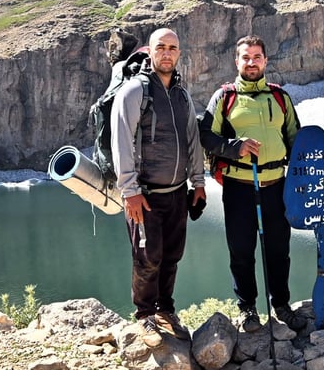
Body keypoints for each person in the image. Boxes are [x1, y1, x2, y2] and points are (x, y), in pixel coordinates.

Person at [111, 27, 207, 348]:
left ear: (179, 54)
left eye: (173, 48)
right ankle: (145, 317)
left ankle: (166, 310)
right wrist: (129, 191)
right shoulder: (135, 91)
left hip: (178, 193)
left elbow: (193, 140)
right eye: (161, 47)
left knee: (171, 255)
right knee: (147, 257)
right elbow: (121, 140)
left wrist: (198, 183)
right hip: (145, 195)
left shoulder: (182, 95)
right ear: (150, 52)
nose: (167, 53)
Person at [200, 35, 302, 332]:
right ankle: (247, 309)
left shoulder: (280, 96)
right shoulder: (224, 97)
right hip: (239, 187)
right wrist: (235, 147)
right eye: (246, 57)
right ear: (237, 61)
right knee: (241, 250)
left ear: (265, 60)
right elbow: (206, 136)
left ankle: (281, 304)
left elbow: (295, 138)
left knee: (278, 250)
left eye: (257, 56)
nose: (251, 62)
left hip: (277, 185)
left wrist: (301, 179)